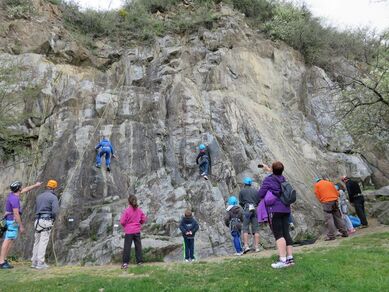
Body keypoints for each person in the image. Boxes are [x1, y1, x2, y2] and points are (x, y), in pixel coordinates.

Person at [258, 162, 294, 269]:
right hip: (286, 209)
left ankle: (282, 260)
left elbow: (260, 194)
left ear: (272, 170)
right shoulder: (283, 179)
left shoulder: (268, 180)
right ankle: (290, 258)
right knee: (286, 233)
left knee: (279, 235)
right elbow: (276, 173)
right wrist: (269, 169)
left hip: (275, 209)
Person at [0, 181, 42, 269]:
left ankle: (3, 259)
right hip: (12, 222)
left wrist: (36, 185)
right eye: (20, 186)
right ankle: (1, 262)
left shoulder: (13, 194)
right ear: (18, 189)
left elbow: (25, 189)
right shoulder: (15, 199)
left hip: (10, 221)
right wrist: (21, 226)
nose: (22, 187)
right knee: (7, 240)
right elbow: (16, 214)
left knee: (10, 240)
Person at [31, 180, 60, 269]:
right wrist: (54, 219)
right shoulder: (53, 197)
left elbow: (36, 209)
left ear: (47, 186)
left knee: (37, 241)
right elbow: (55, 211)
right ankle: (40, 263)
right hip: (46, 220)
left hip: (37, 221)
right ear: (54, 187)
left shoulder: (39, 196)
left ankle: (34, 262)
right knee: (43, 242)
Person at [120, 194, 147, 269]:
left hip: (129, 231)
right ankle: (139, 262)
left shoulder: (127, 211)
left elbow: (122, 221)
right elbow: (143, 219)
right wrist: (139, 223)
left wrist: (126, 226)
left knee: (127, 247)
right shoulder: (139, 210)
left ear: (129, 202)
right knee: (138, 247)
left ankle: (125, 264)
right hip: (137, 231)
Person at [239, 177, 260, 253]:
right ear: (250, 183)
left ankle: (246, 246)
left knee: (245, 228)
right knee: (256, 228)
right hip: (255, 208)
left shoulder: (242, 191)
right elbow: (258, 201)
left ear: (245, 183)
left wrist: (245, 207)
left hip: (247, 208)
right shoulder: (255, 191)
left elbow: (241, 202)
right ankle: (257, 247)